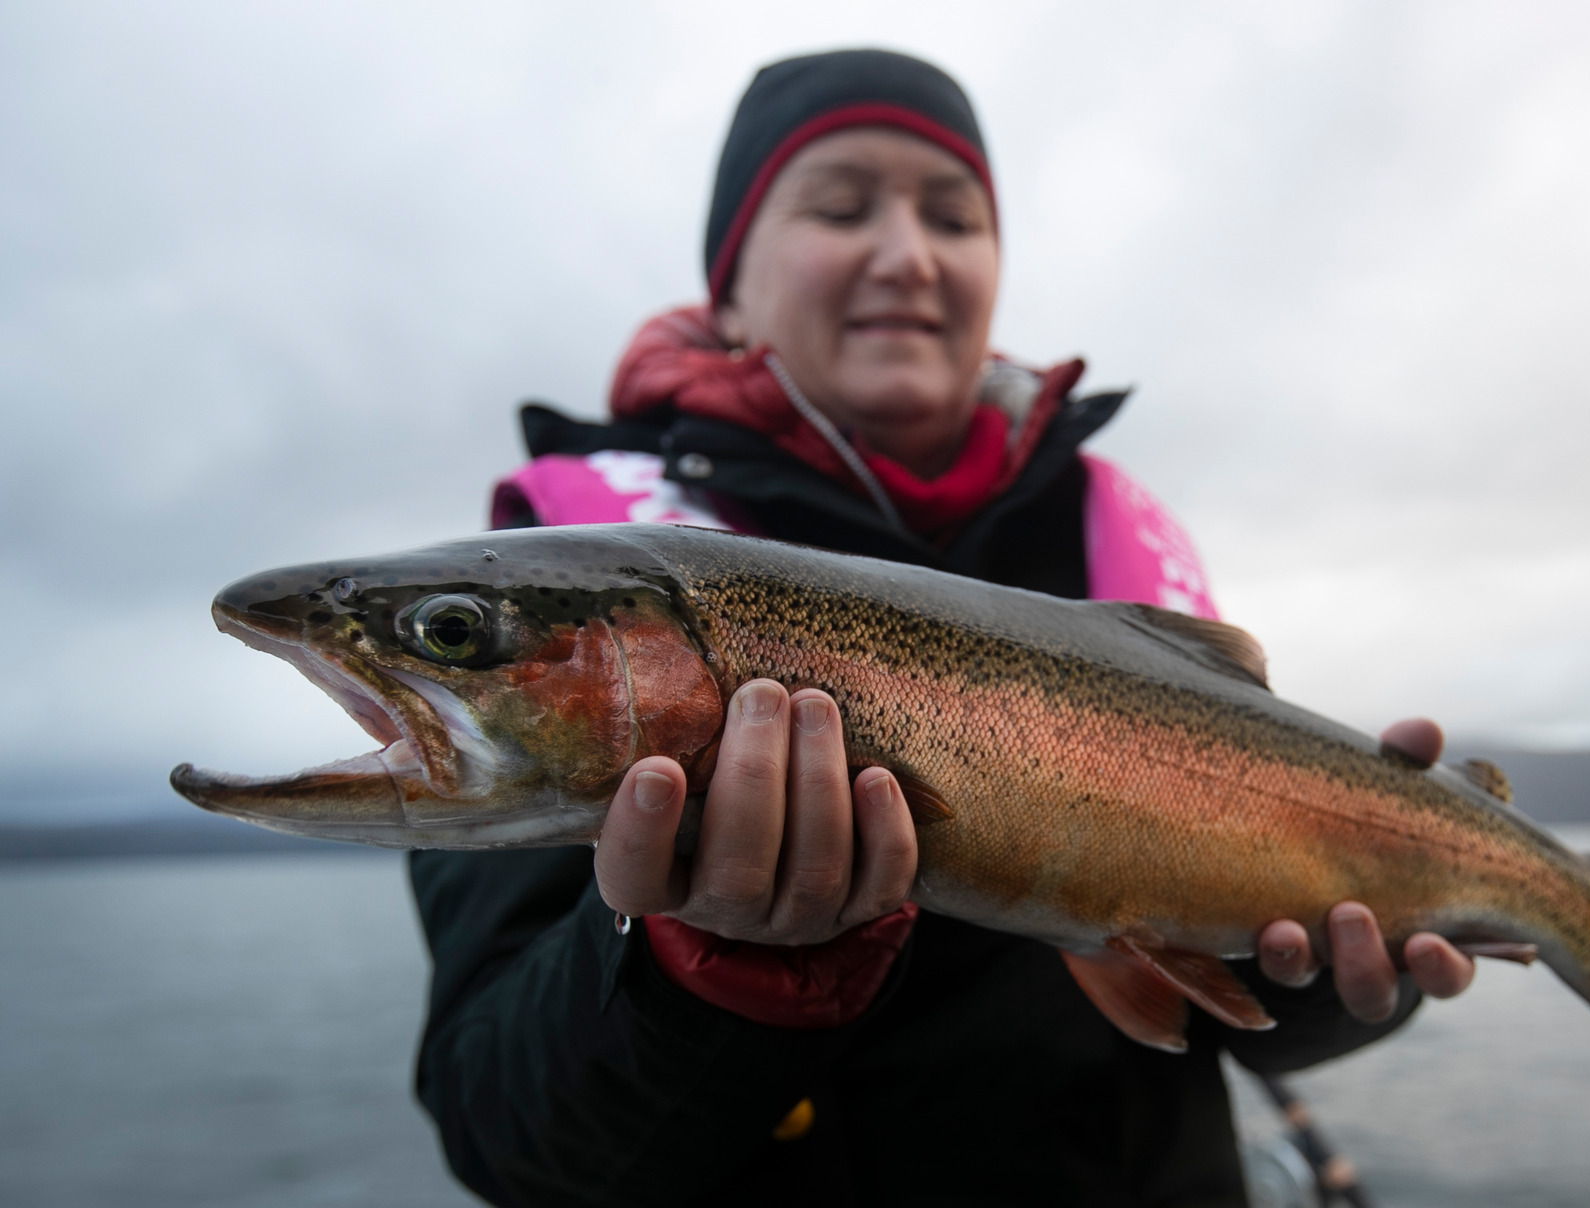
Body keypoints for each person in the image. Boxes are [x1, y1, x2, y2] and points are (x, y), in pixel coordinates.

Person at [410, 49, 1474, 1208]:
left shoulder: (1110, 541)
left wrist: (1336, 965)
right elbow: (515, 1144)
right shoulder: (569, 603)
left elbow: (1254, 1030)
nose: (908, 254)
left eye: (954, 218)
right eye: (841, 205)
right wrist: (707, 968)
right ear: (726, 289)